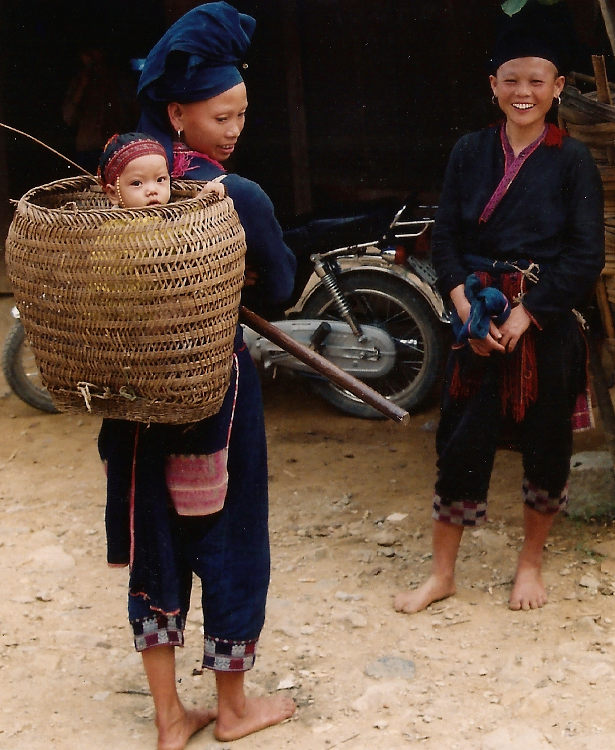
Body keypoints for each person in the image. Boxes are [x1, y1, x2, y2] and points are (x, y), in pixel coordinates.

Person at [97, 4, 297, 749]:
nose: (235, 128)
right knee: (231, 539)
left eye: (241, 112)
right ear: (177, 113)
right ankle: (234, 709)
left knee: (158, 543)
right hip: (218, 394)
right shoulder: (234, 197)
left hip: (137, 408)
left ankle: (167, 718)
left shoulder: (120, 193)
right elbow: (278, 287)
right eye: (222, 115)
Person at [394, 2, 604, 616]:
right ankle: (442, 574)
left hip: (544, 322)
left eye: (537, 81)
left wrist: (527, 313)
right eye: (511, 80)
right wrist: (464, 305)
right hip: (476, 318)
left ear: (558, 87)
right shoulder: (468, 152)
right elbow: (448, 238)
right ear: (492, 85)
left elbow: (584, 255)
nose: (523, 92)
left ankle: (531, 565)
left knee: (546, 445)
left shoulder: (573, 160)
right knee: (459, 442)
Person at [98, 131, 225, 208]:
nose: (152, 190)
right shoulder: (114, 231)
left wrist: (203, 196)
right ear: (113, 194)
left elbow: (187, 220)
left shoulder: (167, 215)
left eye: (160, 179)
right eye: (137, 183)